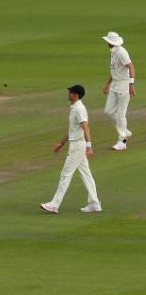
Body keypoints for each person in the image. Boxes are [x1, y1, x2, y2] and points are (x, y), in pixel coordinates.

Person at [40, 85, 102, 214]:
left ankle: (54, 204)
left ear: (76, 95)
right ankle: (95, 204)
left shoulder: (79, 109)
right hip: (76, 145)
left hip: (77, 147)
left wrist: (89, 146)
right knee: (86, 174)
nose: (68, 93)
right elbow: (73, 129)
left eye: (71, 92)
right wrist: (61, 143)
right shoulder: (75, 108)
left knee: (65, 175)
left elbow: (86, 127)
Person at [102, 31, 135, 150]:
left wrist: (131, 85)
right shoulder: (113, 52)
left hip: (124, 85)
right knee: (108, 111)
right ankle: (125, 130)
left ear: (110, 42)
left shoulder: (121, 52)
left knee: (121, 114)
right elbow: (114, 70)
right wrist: (107, 84)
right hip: (115, 85)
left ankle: (123, 141)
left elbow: (131, 66)